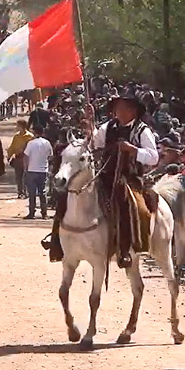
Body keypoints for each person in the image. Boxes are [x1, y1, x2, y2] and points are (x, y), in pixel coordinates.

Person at [46, 90, 158, 267]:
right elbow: (94, 144)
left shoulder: (142, 131)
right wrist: (90, 129)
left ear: (134, 111)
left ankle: (125, 248)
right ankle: (57, 240)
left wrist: (133, 150)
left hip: (129, 177)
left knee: (130, 205)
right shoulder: (108, 127)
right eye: (117, 108)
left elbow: (153, 157)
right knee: (69, 193)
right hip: (103, 174)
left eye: (124, 108)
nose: (120, 112)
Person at [22, 126, 53, 219]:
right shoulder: (47, 143)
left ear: (34, 133)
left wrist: (25, 168)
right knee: (42, 193)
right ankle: (44, 213)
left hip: (32, 170)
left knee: (32, 193)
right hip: (43, 170)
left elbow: (26, 157)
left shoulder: (31, 143)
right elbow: (50, 156)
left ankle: (32, 213)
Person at [7, 119, 35, 199]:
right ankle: (20, 192)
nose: (17, 127)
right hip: (18, 159)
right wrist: (9, 155)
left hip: (27, 159)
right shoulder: (16, 136)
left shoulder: (30, 136)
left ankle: (26, 192)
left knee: (26, 177)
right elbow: (13, 146)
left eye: (18, 125)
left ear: (22, 126)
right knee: (18, 177)